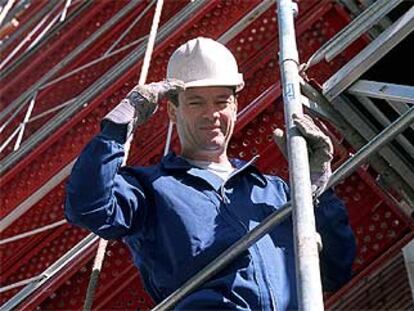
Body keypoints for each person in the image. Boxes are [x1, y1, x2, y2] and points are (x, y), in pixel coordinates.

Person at [65, 37, 355, 310]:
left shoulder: (273, 191)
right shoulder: (150, 189)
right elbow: (87, 206)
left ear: (235, 105)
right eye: (195, 102)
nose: (211, 114)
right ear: (172, 111)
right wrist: (122, 120)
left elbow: (336, 270)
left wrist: (317, 192)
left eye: (221, 101)